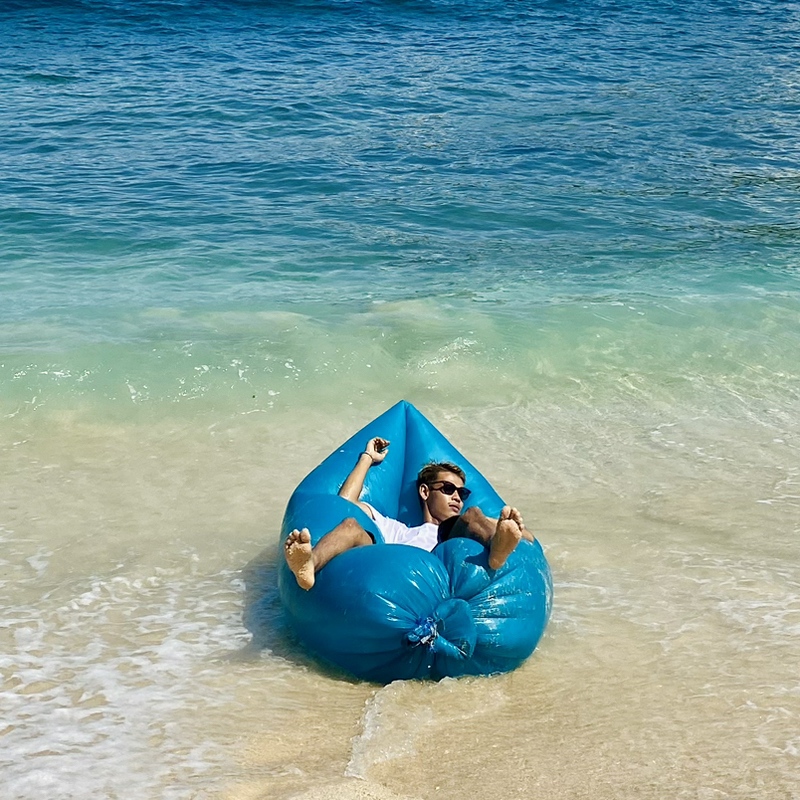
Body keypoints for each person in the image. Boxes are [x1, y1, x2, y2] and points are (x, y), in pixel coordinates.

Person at [284, 437, 535, 590]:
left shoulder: (464, 524)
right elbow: (345, 503)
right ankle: (309, 564)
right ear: (425, 491)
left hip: (443, 565)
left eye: (462, 492)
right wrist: (367, 458)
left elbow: (529, 538)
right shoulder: (396, 529)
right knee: (350, 523)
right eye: (448, 489)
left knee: (472, 515)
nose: (457, 497)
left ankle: (497, 549)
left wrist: (498, 526)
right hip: (393, 569)